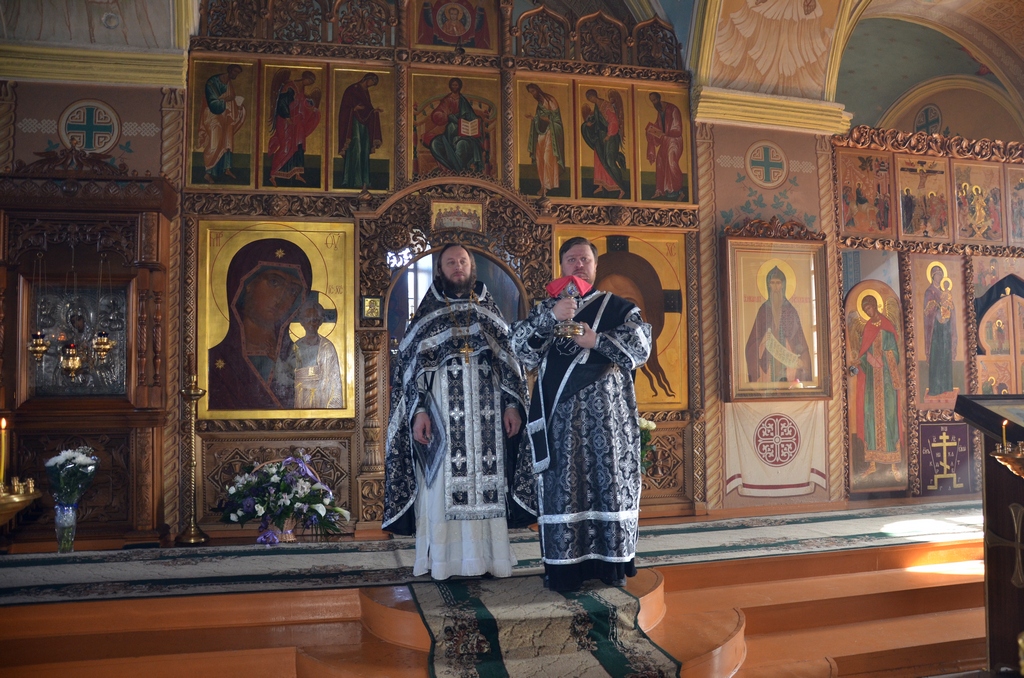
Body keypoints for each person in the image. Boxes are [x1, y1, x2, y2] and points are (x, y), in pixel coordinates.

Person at [383, 244, 535, 580]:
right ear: (440, 270)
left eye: (462, 261)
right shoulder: (427, 314)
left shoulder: (488, 309)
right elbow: (410, 371)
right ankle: (444, 561)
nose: (457, 266)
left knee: (489, 483)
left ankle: (490, 559)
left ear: (471, 266)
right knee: (439, 487)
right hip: (441, 417)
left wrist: (512, 405)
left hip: (488, 418)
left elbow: (509, 364)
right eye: (450, 262)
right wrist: (419, 411)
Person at [511, 237, 651, 592]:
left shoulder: (617, 307)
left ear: (595, 265)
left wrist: (596, 341)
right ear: (561, 266)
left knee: (608, 487)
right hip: (560, 422)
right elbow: (520, 351)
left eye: (584, 259)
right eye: (571, 259)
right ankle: (565, 570)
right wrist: (550, 318)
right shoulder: (549, 308)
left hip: (608, 422)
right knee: (563, 490)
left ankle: (610, 567)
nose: (578, 265)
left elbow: (641, 347)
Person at [208, 239, 311, 410]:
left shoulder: (300, 360)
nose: (282, 297)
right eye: (274, 282)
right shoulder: (215, 360)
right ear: (248, 283)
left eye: (293, 290)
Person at [851, 292, 903, 481]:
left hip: (887, 381)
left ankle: (894, 465)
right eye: (865, 309)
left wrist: (884, 358)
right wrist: (866, 359)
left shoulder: (887, 326)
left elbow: (895, 353)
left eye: (870, 307)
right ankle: (872, 464)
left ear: (875, 306)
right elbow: (863, 352)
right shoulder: (867, 328)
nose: (868, 311)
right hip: (872, 383)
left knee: (889, 417)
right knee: (871, 417)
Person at [744, 266, 812, 384]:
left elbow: (798, 338)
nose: (775, 287)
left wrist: (802, 359)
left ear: (783, 285)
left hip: (788, 361)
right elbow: (751, 343)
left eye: (778, 283)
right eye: (772, 283)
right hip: (768, 360)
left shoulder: (790, 310)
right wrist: (762, 341)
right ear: (768, 285)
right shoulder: (763, 310)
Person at [267, 69, 322, 186]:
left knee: (299, 146)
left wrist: (311, 106)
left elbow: (301, 103)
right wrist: (287, 117)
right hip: (286, 122)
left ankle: (297, 173)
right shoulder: (290, 86)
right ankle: (273, 174)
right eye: (309, 81)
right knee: (286, 146)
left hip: (298, 123)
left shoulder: (301, 89)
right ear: (305, 78)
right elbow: (282, 103)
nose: (309, 84)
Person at [423, 77, 486, 174]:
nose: (455, 87)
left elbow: (471, 115)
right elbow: (438, 114)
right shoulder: (447, 100)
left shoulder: (463, 100)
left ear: (459, 86)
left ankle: (459, 170)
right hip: (450, 131)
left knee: (462, 145)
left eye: (456, 85)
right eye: (453, 85)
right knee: (435, 143)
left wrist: (477, 120)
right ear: (450, 86)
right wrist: (447, 116)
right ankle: (450, 169)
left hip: (465, 131)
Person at [293, 298, 344, 409]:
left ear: (320, 322)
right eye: (308, 319)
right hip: (298, 401)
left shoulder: (327, 347)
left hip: (321, 400)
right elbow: (286, 378)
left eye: (315, 319)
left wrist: (332, 411)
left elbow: (334, 380)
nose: (312, 323)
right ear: (302, 321)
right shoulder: (294, 347)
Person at [199, 64, 245, 184]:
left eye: (238, 73)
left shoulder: (229, 83)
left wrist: (238, 107)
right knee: (215, 143)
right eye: (235, 72)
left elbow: (230, 101)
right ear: (229, 70)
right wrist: (226, 99)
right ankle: (208, 172)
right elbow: (213, 101)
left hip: (225, 116)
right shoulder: (213, 82)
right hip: (213, 116)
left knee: (227, 142)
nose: (236, 75)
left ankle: (226, 168)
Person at [336, 73, 383, 190]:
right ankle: (353, 181)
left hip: (364, 125)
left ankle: (365, 181)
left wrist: (373, 111)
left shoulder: (365, 92)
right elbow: (344, 108)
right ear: (367, 79)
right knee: (356, 149)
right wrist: (353, 109)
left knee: (365, 150)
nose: (371, 85)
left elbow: (367, 109)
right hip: (353, 124)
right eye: (372, 82)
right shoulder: (352, 89)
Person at [581, 89, 628, 199]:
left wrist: (609, 135)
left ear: (594, 96)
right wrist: (589, 124)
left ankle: (621, 187)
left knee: (609, 161)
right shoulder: (597, 107)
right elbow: (597, 121)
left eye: (590, 98)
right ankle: (601, 184)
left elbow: (613, 121)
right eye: (589, 99)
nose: (590, 100)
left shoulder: (606, 105)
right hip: (601, 137)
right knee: (599, 160)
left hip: (610, 137)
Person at [524, 83, 565, 198]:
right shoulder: (539, 104)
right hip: (541, 133)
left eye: (533, 91)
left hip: (551, 133)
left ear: (537, 90)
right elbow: (540, 119)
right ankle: (543, 185)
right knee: (539, 158)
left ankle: (548, 185)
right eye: (530, 93)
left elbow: (555, 119)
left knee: (547, 158)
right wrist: (534, 118)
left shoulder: (550, 100)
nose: (533, 94)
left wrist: (539, 118)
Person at [644, 92, 686, 200]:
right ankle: (660, 190)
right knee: (660, 161)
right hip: (665, 140)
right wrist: (651, 131)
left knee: (671, 162)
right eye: (652, 101)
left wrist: (664, 134)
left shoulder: (673, 109)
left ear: (659, 98)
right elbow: (658, 126)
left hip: (674, 141)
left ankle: (679, 190)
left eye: (654, 100)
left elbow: (677, 129)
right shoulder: (660, 111)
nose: (654, 103)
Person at [922, 265, 956, 397]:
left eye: (941, 275)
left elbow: (951, 307)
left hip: (945, 328)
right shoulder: (929, 292)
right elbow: (927, 311)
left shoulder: (944, 291)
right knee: (936, 356)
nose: (939, 277)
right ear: (932, 276)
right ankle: (936, 388)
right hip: (935, 330)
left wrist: (949, 309)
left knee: (945, 354)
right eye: (937, 275)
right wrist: (938, 311)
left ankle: (946, 385)